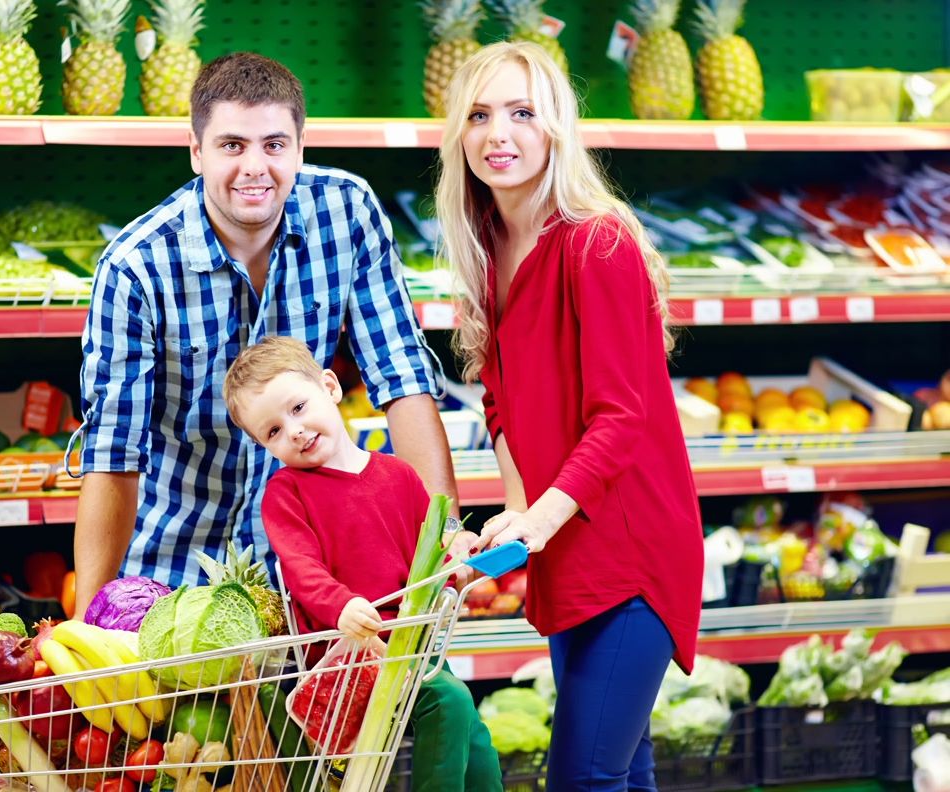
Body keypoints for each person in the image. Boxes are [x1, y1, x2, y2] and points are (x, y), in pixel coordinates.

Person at [73, 52, 465, 615]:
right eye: (232, 145)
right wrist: (89, 629)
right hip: (174, 575)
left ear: (299, 149)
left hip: (323, 574)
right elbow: (113, 452)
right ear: (196, 151)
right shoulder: (136, 266)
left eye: (274, 145)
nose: (255, 167)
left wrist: (440, 537)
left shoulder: (347, 213)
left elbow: (402, 378)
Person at [435, 42, 705, 790]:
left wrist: (537, 521)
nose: (501, 134)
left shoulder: (597, 244)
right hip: (569, 544)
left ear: (557, 127)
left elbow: (620, 418)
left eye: (523, 113)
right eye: (481, 116)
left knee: (584, 777)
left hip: (633, 548)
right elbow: (499, 399)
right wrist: (518, 506)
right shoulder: (490, 246)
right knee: (623, 769)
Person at [223, 335, 501, 792]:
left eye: (297, 408)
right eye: (272, 431)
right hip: (345, 656)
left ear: (330, 387)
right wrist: (341, 607)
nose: (292, 430)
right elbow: (301, 570)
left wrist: (456, 569)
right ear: (263, 445)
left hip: (412, 641)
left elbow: (425, 558)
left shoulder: (400, 476)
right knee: (447, 701)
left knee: (477, 743)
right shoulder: (286, 494)